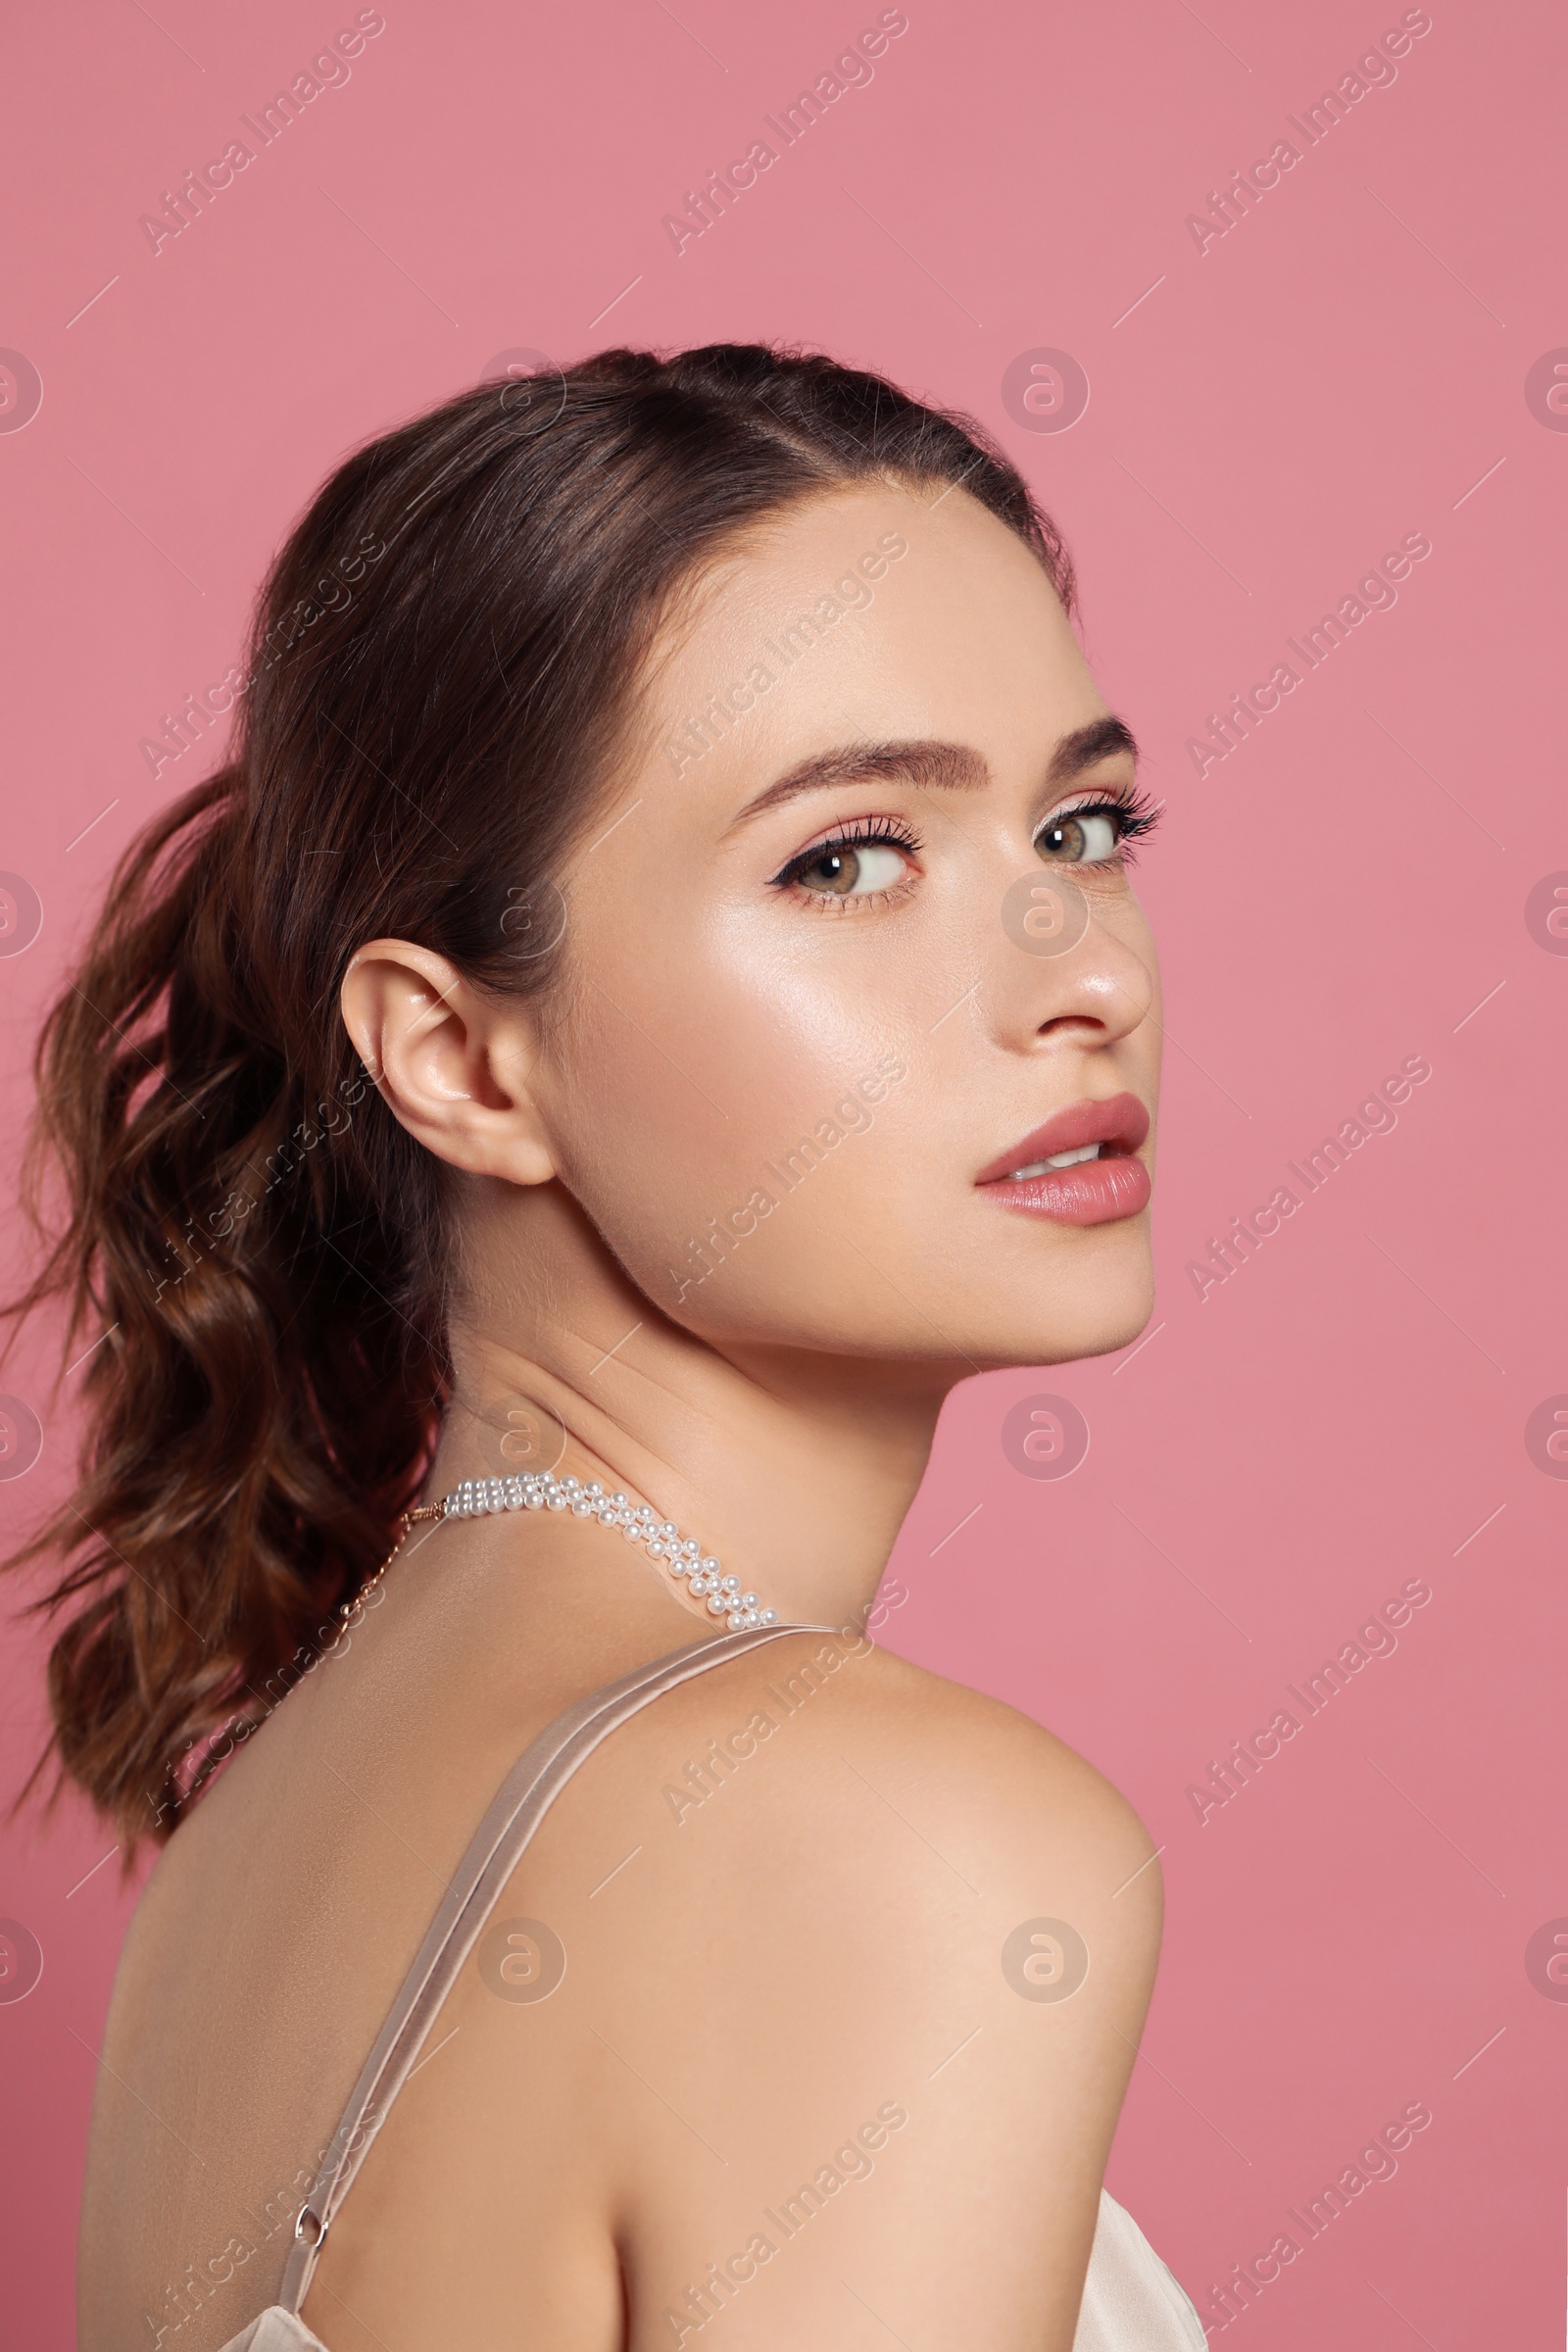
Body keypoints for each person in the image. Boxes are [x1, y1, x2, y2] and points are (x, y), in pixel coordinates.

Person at [12, 343, 1202, 2349]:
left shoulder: (256, 1840)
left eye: (1080, 827)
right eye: (846, 859)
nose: (1078, 977)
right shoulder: (895, 1841)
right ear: (463, 1060)